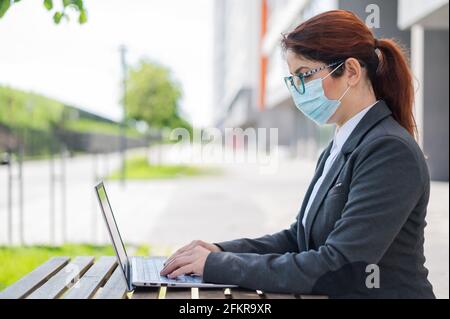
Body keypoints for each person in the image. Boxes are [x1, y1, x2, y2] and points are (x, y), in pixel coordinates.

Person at [160, 10, 435, 298]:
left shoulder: (388, 150)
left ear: (351, 71)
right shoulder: (340, 143)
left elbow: (340, 266)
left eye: (304, 75)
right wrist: (219, 251)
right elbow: (299, 239)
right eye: (293, 79)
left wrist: (219, 265)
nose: (298, 90)